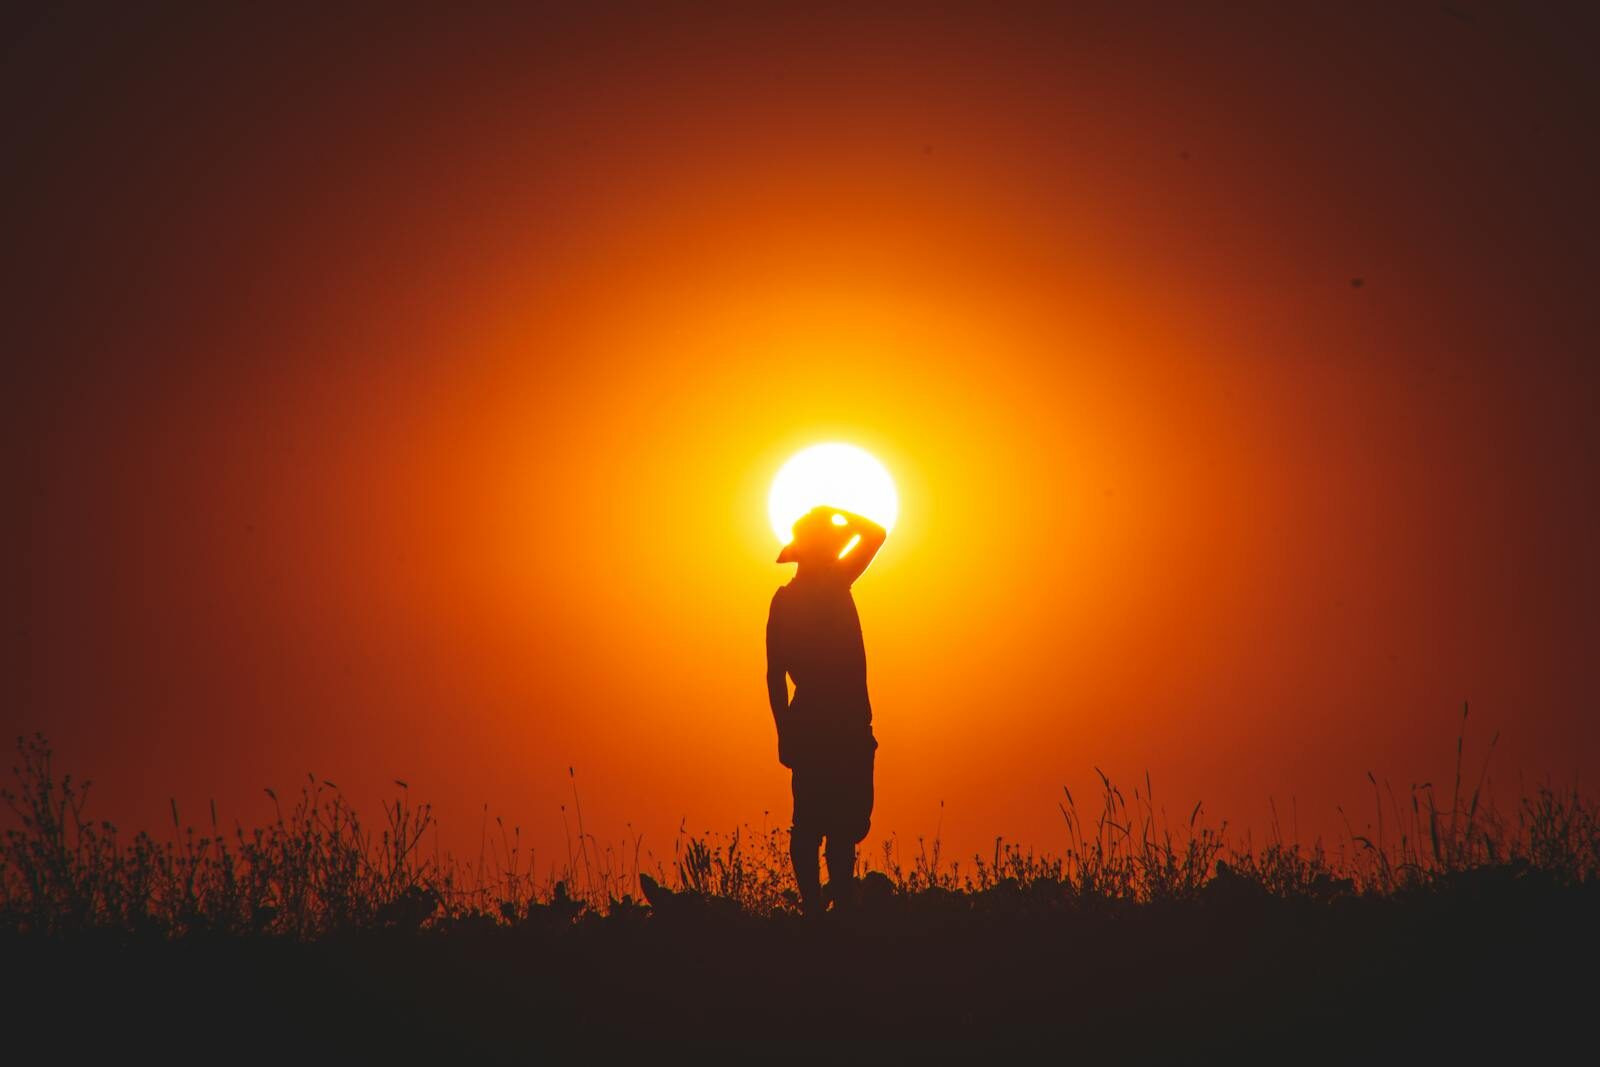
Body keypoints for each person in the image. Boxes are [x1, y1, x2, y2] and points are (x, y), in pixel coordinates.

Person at [766, 505, 886, 914]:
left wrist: (784, 730)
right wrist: (837, 513)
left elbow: (774, 676)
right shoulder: (834, 582)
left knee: (823, 823)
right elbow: (875, 532)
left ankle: (822, 906)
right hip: (837, 723)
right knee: (829, 824)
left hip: (821, 722)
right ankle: (828, 908)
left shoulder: (791, 598)